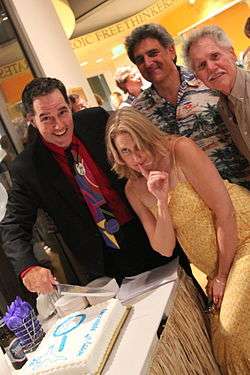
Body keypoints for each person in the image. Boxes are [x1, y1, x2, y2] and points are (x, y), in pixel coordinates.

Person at [0, 77, 181, 295]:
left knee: (184, 295)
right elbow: (13, 226)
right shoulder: (28, 167)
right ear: (31, 119)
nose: (59, 125)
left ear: (69, 105)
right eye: (46, 118)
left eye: (62, 112)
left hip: (149, 227)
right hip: (105, 260)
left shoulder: (97, 121)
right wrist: (28, 268)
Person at [106, 107, 250, 375]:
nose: (136, 158)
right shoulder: (133, 189)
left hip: (242, 240)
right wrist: (161, 201)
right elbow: (164, 247)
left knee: (232, 333)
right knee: (219, 345)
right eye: (126, 151)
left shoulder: (179, 150)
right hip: (211, 266)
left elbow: (225, 212)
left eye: (139, 147)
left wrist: (221, 275)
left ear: (149, 137)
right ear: (117, 155)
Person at [125, 23, 250, 189]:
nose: (148, 63)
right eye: (140, 60)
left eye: (153, 53)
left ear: (171, 50)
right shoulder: (138, 112)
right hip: (199, 204)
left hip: (243, 187)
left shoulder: (210, 80)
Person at [183, 25, 250, 162]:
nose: (211, 67)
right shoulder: (222, 107)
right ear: (197, 76)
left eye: (215, 56)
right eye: (201, 65)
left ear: (232, 53)